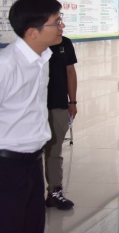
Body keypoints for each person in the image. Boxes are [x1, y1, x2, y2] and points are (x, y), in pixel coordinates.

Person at [0, 0, 62, 232]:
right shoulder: (4, 65)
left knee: (33, 224)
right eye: (56, 22)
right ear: (32, 32)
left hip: (32, 161)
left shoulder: (42, 59)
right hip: (4, 165)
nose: (61, 27)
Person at [44, 34, 78, 210]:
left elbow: (70, 72)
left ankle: (54, 192)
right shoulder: (32, 43)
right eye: (56, 21)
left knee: (54, 150)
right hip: (34, 107)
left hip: (58, 104)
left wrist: (72, 101)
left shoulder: (65, 43)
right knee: (31, 153)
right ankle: (29, 195)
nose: (61, 25)